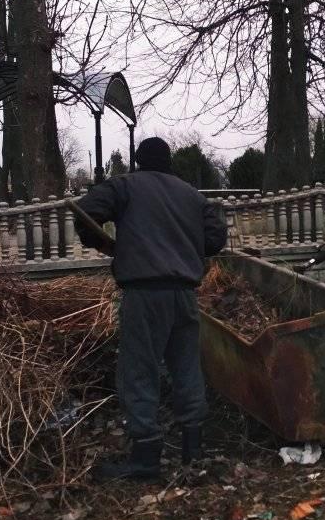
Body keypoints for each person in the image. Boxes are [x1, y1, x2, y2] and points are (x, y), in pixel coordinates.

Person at [75, 137, 228, 480]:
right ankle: (193, 450)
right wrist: (183, 245)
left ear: (139, 161)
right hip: (185, 295)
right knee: (187, 367)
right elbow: (216, 238)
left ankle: (145, 456)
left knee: (139, 369)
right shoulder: (191, 194)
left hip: (145, 295)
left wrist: (100, 241)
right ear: (169, 162)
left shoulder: (126, 186)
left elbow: (86, 213)